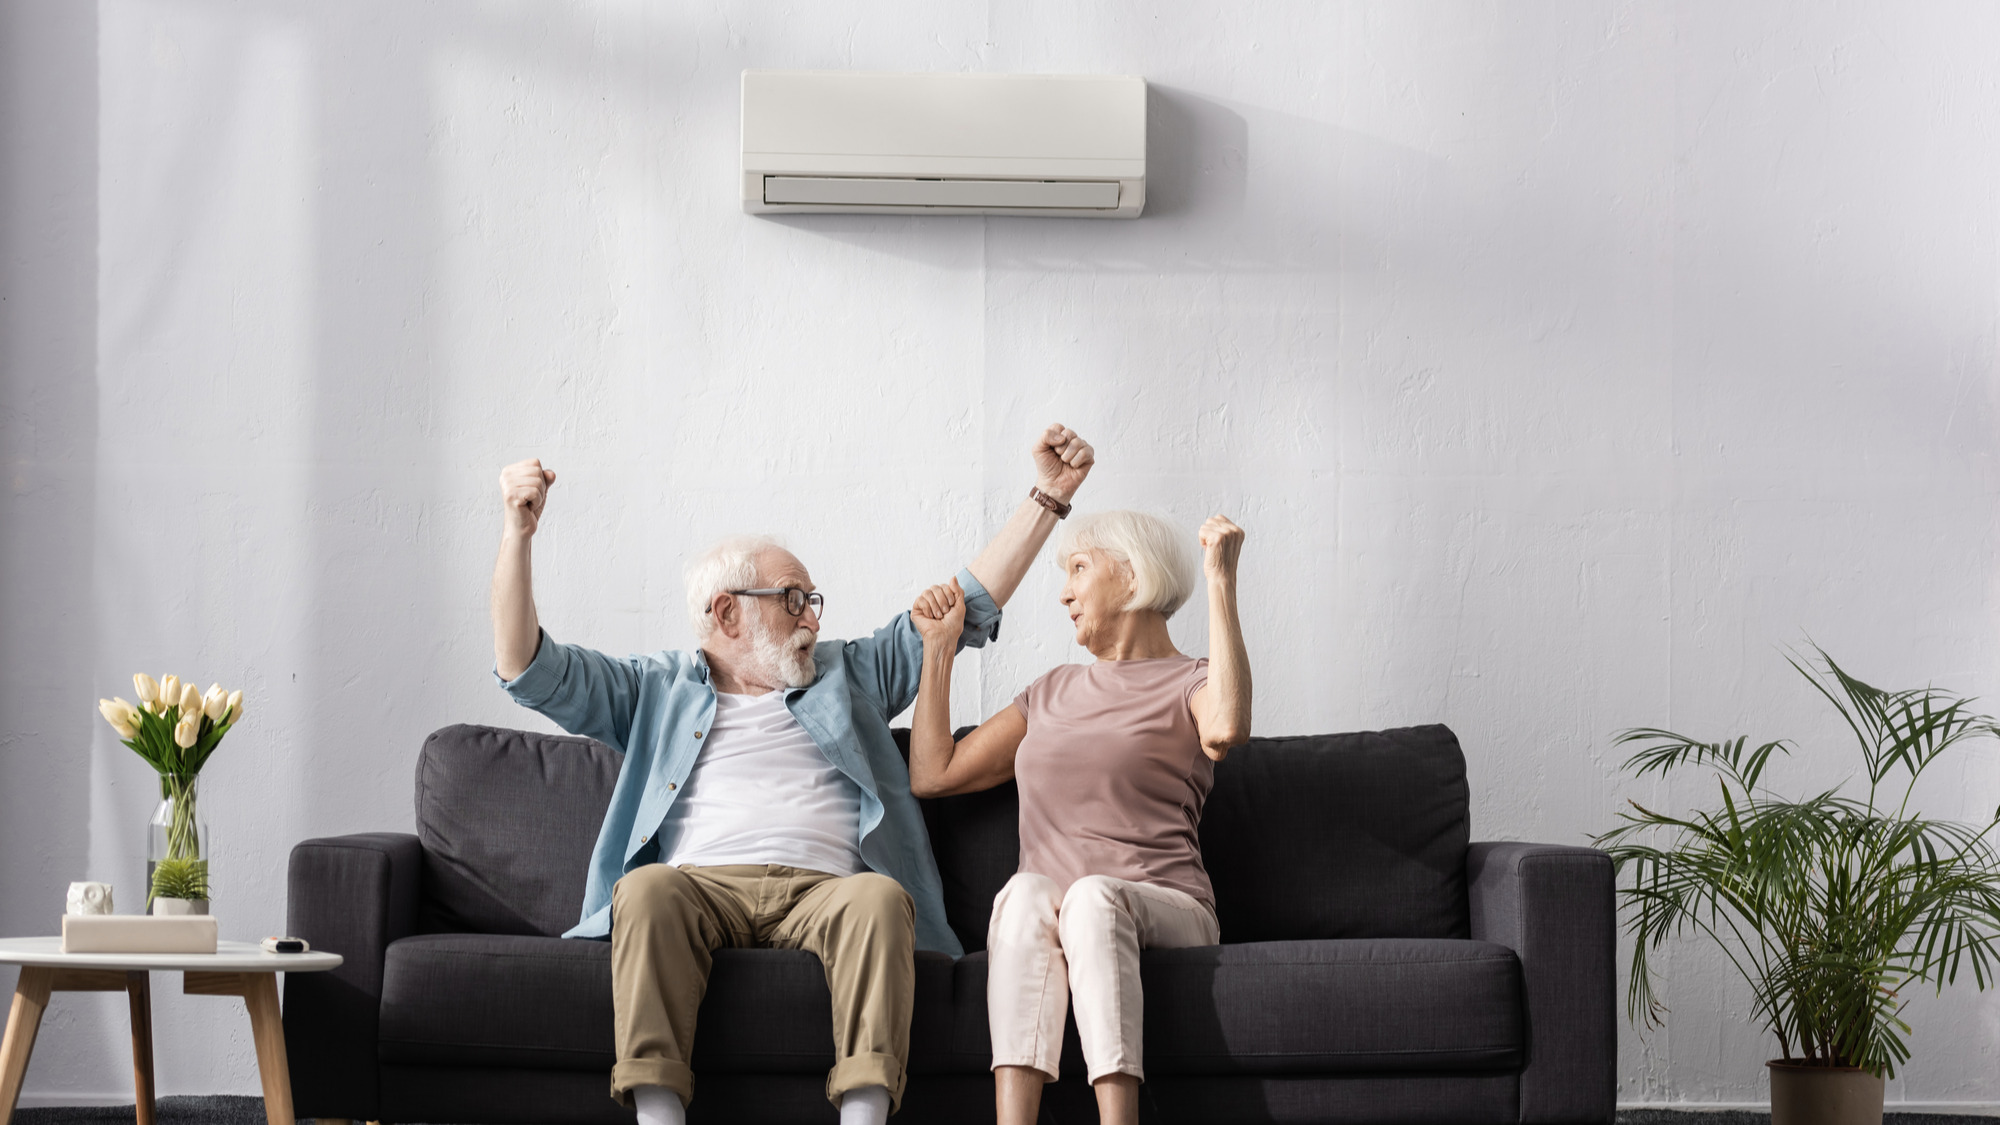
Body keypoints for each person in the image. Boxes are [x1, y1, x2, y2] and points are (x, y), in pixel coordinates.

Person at [488, 425, 1096, 1125]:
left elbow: (965, 605)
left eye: (812, 600)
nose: (811, 617)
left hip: (827, 889)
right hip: (699, 887)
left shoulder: (848, 673)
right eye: (792, 599)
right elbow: (527, 667)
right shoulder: (653, 688)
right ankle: (659, 1115)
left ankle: (863, 1115)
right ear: (726, 613)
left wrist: (1048, 497)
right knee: (646, 887)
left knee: (879, 899)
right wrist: (517, 532)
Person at [903, 509, 1251, 1125]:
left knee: (1091, 898)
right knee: (1021, 894)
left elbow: (1224, 728)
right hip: (1064, 912)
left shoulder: (1191, 681)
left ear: (1132, 574)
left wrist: (1220, 579)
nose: (1063, 591)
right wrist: (940, 649)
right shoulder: (1052, 689)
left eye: (1079, 569)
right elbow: (934, 774)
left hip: (1167, 906)